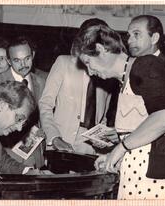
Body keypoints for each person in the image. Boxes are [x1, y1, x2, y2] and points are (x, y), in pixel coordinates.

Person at [72, 24, 165, 199]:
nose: (90, 71)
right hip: (143, 178)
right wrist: (112, 156)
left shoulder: (145, 64)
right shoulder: (127, 78)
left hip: (161, 182)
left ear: (101, 50)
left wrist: (119, 150)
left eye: (88, 62)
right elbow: (144, 133)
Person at [39, 18, 111, 155]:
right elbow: (45, 104)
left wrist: (102, 139)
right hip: (62, 140)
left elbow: (104, 116)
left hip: (92, 147)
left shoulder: (108, 72)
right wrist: (54, 137)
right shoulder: (63, 62)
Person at [0, 36, 45, 104]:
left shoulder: (41, 82)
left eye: (27, 58)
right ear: (9, 61)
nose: (23, 64)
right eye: (17, 60)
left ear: (33, 55)